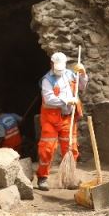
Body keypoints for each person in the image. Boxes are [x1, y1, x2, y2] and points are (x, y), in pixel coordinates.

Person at [36, 51, 87, 191]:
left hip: (67, 118)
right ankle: (42, 177)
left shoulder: (70, 74)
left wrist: (82, 74)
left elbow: (81, 87)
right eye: (56, 68)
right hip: (50, 120)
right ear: (51, 64)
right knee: (47, 149)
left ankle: (69, 178)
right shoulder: (47, 80)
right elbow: (49, 99)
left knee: (71, 149)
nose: (59, 71)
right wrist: (67, 100)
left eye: (61, 68)